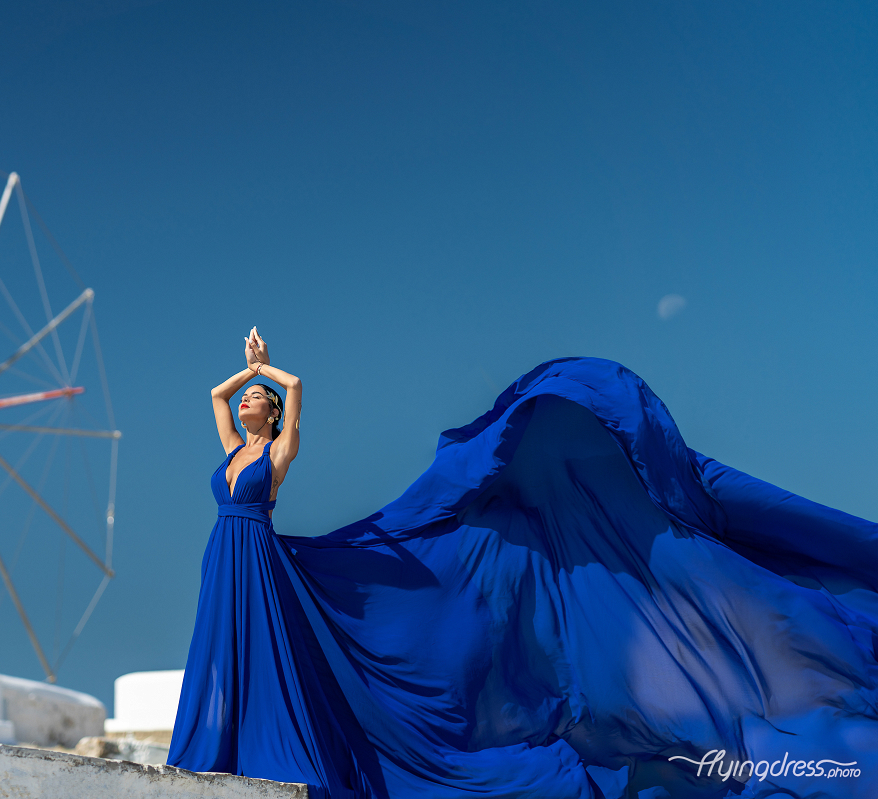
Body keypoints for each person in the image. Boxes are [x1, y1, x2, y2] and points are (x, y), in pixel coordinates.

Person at [168, 340, 878, 799]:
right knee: (223, 645)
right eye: (245, 401)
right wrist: (236, 375)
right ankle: (215, 743)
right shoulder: (231, 448)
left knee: (269, 638)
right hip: (224, 550)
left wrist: (267, 368)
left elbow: (293, 387)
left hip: (256, 544)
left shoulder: (272, 453)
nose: (246, 402)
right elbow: (211, 398)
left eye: (253, 400)